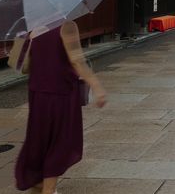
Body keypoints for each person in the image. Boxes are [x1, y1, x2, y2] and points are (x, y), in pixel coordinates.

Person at [15, 20, 107, 194]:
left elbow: (25, 64)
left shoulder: (33, 27)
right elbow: (77, 61)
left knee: (39, 141)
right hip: (61, 94)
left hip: (37, 94)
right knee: (60, 143)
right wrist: (97, 86)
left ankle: (39, 183)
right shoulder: (67, 26)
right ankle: (48, 190)